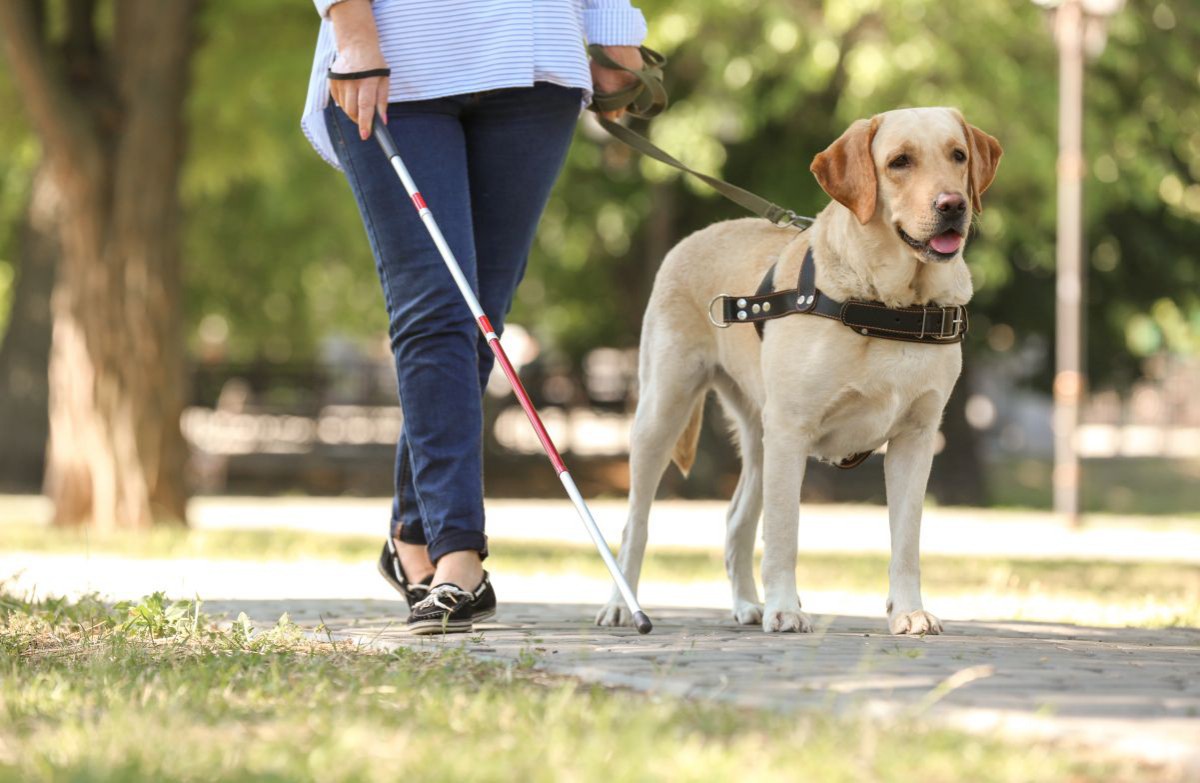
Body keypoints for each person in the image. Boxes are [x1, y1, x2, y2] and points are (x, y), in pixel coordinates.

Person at [301, 0, 648, 634]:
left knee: (477, 320)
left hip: (536, 60)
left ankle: (413, 532)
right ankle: (458, 559)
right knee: (437, 310)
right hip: (398, 57)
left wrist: (616, 35)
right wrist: (350, 31)